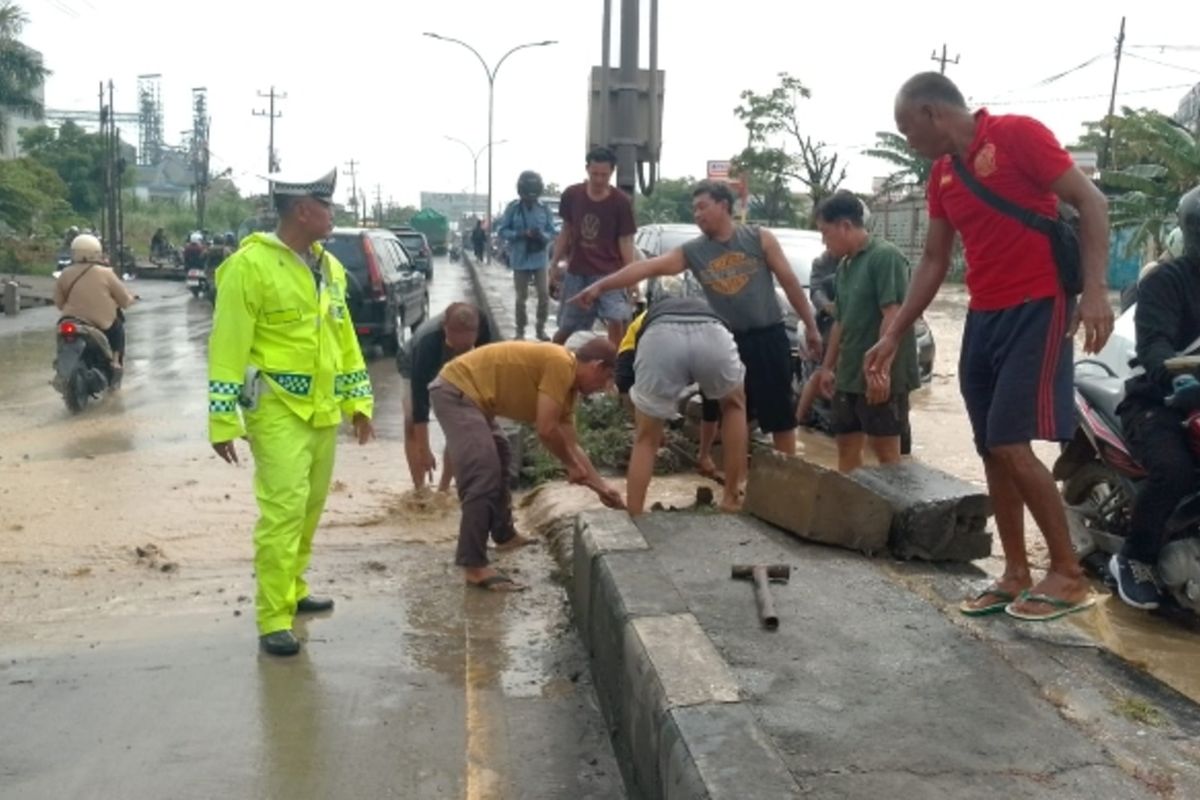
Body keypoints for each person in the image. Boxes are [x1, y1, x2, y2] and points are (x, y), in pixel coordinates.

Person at [864, 72, 1113, 622]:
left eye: (907, 130)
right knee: (988, 445)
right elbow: (933, 260)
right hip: (983, 313)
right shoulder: (942, 175)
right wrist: (893, 332)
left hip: (1038, 305)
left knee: (1009, 439)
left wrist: (1094, 292)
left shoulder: (1017, 134)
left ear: (931, 113)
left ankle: (1068, 574)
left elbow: (1090, 201)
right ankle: (1016, 573)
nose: (908, 142)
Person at [207, 167, 375, 656]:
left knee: (309, 508)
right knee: (282, 513)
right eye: (328, 206)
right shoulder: (249, 266)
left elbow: (343, 342)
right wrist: (222, 420)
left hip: (322, 411)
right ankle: (272, 617)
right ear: (304, 209)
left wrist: (358, 403)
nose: (333, 215)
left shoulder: (329, 268)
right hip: (277, 410)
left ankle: (294, 590)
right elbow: (227, 347)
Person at [570, 180, 822, 455]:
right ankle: (733, 486)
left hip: (769, 337)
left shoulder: (758, 238)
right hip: (728, 341)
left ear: (723, 206)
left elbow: (790, 283)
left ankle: (786, 480)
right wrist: (600, 286)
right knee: (732, 412)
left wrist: (811, 326)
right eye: (694, 210)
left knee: (780, 417)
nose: (697, 215)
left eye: (703, 207)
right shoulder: (694, 251)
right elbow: (647, 267)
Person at [429, 339, 626, 591]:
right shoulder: (561, 363)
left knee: (501, 457)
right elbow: (546, 430)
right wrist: (570, 464)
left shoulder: (568, 392)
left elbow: (572, 446)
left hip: (477, 401)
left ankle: (504, 535)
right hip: (456, 391)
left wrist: (602, 490)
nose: (603, 388)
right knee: (483, 472)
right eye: (606, 378)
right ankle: (474, 566)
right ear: (597, 366)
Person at [1110, 186, 1200, 610]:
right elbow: (1154, 345)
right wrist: (1177, 374)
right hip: (1158, 401)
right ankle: (1135, 559)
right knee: (1175, 470)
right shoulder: (1166, 280)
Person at [811, 191, 921, 473]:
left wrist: (880, 371)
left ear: (845, 226)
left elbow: (893, 315)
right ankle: (850, 513)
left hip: (880, 376)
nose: (824, 241)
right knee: (846, 446)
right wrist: (827, 368)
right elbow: (841, 322)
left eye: (826, 232)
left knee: (886, 453)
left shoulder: (885, 258)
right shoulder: (846, 265)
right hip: (849, 375)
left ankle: (898, 515)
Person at [621, 297, 748, 515]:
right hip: (713, 333)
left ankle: (634, 514)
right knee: (734, 407)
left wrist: (646, 424)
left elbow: (623, 381)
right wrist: (704, 454)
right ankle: (731, 497)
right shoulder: (712, 310)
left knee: (645, 441)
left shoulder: (636, 328)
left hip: (659, 337)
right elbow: (714, 404)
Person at [617, 306, 724, 478]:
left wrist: (704, 454)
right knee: (647, 436)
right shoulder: (637, 348)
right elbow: (625, 385)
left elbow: (710, 408)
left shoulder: (707, 351)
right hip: (653, 335)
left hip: (698, 333)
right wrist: (648, 428)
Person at [400, 302, 495, 492]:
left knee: (458, 424)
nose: (460, 349)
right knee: (411, 423)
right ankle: (420, 490)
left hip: (458, 366)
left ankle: (443, 489)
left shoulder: (482, 324)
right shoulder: (427, 342)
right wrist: (424, 448)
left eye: (466, 346)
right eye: (455, 344)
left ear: (476, 333)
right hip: (412, 364)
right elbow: (420, 402)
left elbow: (488, 375)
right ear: (445, 329)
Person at [549, 147, 637, 348]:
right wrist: (554, 263)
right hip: (578, 271)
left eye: (604, 175)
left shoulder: (621, 202)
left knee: (617, 319)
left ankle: (614, 370)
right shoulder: (572, 195)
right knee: (567, 326)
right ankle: (551, 358)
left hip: (610, 272)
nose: (599, 180)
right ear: (587, 170)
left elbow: (626, 241)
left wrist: (631, 277)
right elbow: (566, 230)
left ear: (612, 173)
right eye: (594, 174)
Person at [54, 233, 136, 369]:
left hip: (69, 321)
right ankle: (115, 362)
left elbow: (59, 303)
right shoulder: (106, 273)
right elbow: (124, 301)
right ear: (97, 252)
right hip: (100, 324)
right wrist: (131, 299)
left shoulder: (65, 273)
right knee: (118, 327)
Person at [497, 170, 558, 340]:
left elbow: (552, 232)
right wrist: (521, 234)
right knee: (520, 298)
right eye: (527, 195)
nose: (530, 199)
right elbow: (502, 231)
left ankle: (540, 329)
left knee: (544, 295)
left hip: (539, 258)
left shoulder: (544, 209)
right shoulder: (513, 209)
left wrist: (541, 236)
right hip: (520, 258)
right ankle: (520, 331)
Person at [795, 249, 840, 427]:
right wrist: (829, 307)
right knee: (820, 373)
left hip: (851, 325)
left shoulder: (860, 260)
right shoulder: (822, 262)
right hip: (827, 323)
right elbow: (816, 291)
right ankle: (799, 420)